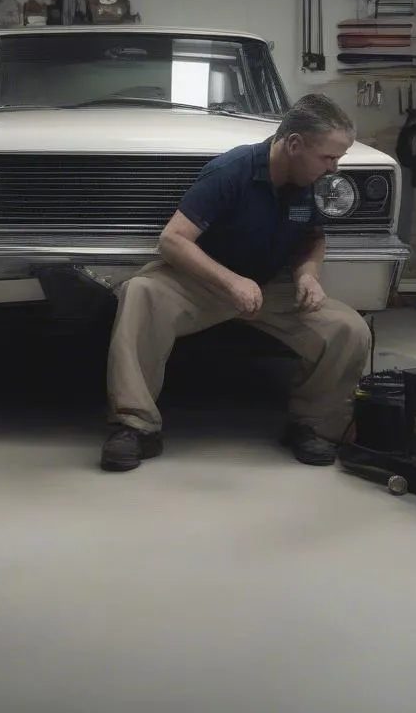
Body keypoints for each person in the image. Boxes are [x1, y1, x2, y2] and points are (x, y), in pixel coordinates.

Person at [100, 93, 372, 472]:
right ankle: (134, 426)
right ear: (294, 144)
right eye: (329, 158)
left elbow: (313, 238)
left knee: (348, 328)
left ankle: (312, 426)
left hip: (268, 286)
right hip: (204, 282)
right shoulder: (231, 171)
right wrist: (231, 283)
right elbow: (173, 239)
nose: (334, 169)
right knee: (140, 293)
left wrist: (307, 275)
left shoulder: (308, 181)